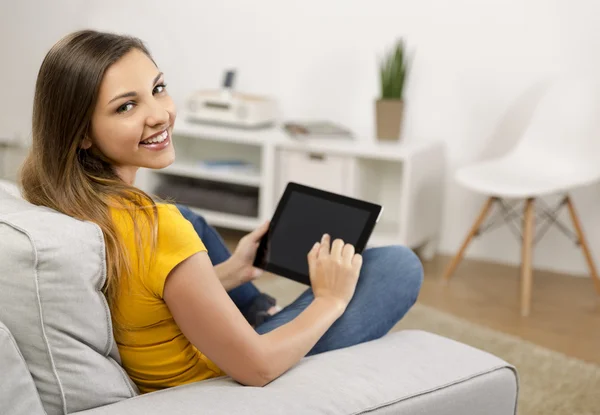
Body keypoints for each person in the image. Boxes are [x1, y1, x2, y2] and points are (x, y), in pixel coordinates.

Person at [19, 30, 424, 394]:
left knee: (190, 218)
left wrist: (232, 273)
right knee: (397, 265)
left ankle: (260, 304)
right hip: (219, 379)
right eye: (126, 107)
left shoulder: (64, 200)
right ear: (82, 131)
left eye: (158, 88)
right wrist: (329, 300)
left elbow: (148, 298)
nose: (160, 114)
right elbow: (257, 367)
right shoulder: (156, 227)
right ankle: (264, 313)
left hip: (189, 338)